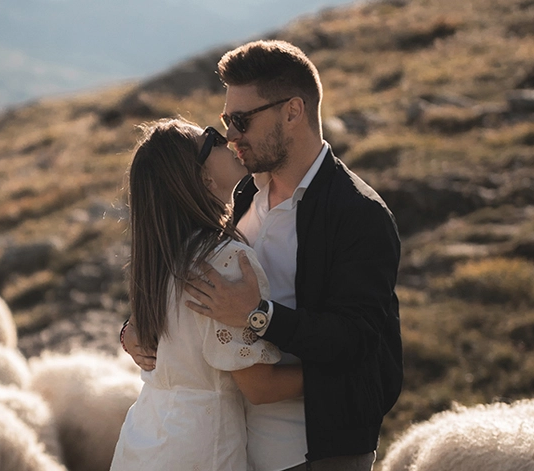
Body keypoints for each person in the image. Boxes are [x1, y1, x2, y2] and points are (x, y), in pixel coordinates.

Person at [122, 40, 402, 471]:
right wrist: (139, 326)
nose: (232, 135)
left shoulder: (358, 214)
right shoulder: (242, 195)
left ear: (292, 112)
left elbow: (358, 340)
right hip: (231, 449)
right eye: (224, 122)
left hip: (314, 451)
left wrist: (259, 316)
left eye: (241, 120)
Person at [110, 118, 304, 471]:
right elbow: (260, 388)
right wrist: (348, 372)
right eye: (211, 140)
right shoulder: (226, 260)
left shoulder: (159, 258)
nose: (226, 139)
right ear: (204, 179)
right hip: (200, 449)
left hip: (143, 440)